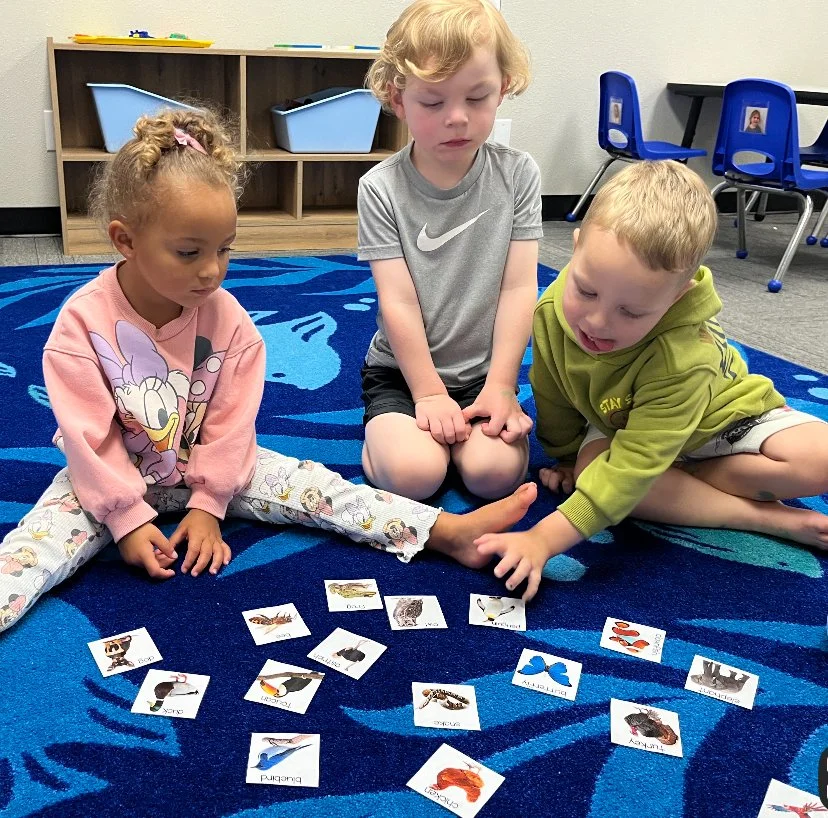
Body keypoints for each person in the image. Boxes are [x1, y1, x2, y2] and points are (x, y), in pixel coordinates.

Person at [0, 107, 539, 633]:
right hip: (106, 482)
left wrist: (210, 504)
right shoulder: (79, 327)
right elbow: (87, 440)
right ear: (125, 240)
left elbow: (231, 425)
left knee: (323, 491)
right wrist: (125, 519)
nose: (212, 272)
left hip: (216, 466)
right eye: (189, 253)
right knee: (30, 551)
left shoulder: (231, 322)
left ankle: (447, 533)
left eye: (225, 250)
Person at [474, 160, 828, 600]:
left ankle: (694, 485)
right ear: (577, 246)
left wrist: (544, 539)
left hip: (727, 420)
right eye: (586, 291)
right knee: (593, 475)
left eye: (632, 312)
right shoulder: (552, 309)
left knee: (822, 458)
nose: (597, 322)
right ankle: (762, 516)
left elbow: (634, 465)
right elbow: (553, 389)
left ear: (678, 294)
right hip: (623, 423)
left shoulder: (682, 357)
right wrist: (564, 456)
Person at [357, 0, 543, 502]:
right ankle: (383, 440)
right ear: (398, 100)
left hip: (483, 375)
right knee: (416, 476)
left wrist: (503, 386)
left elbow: (520, 287)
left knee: (492, 475)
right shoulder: (381, 188)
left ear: (503, 87)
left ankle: (471, 437)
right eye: (433, 103)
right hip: (403, 373)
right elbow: (396, 301)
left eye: (478, 97)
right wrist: (426, 393)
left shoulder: (518, 174)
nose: (457, 119)